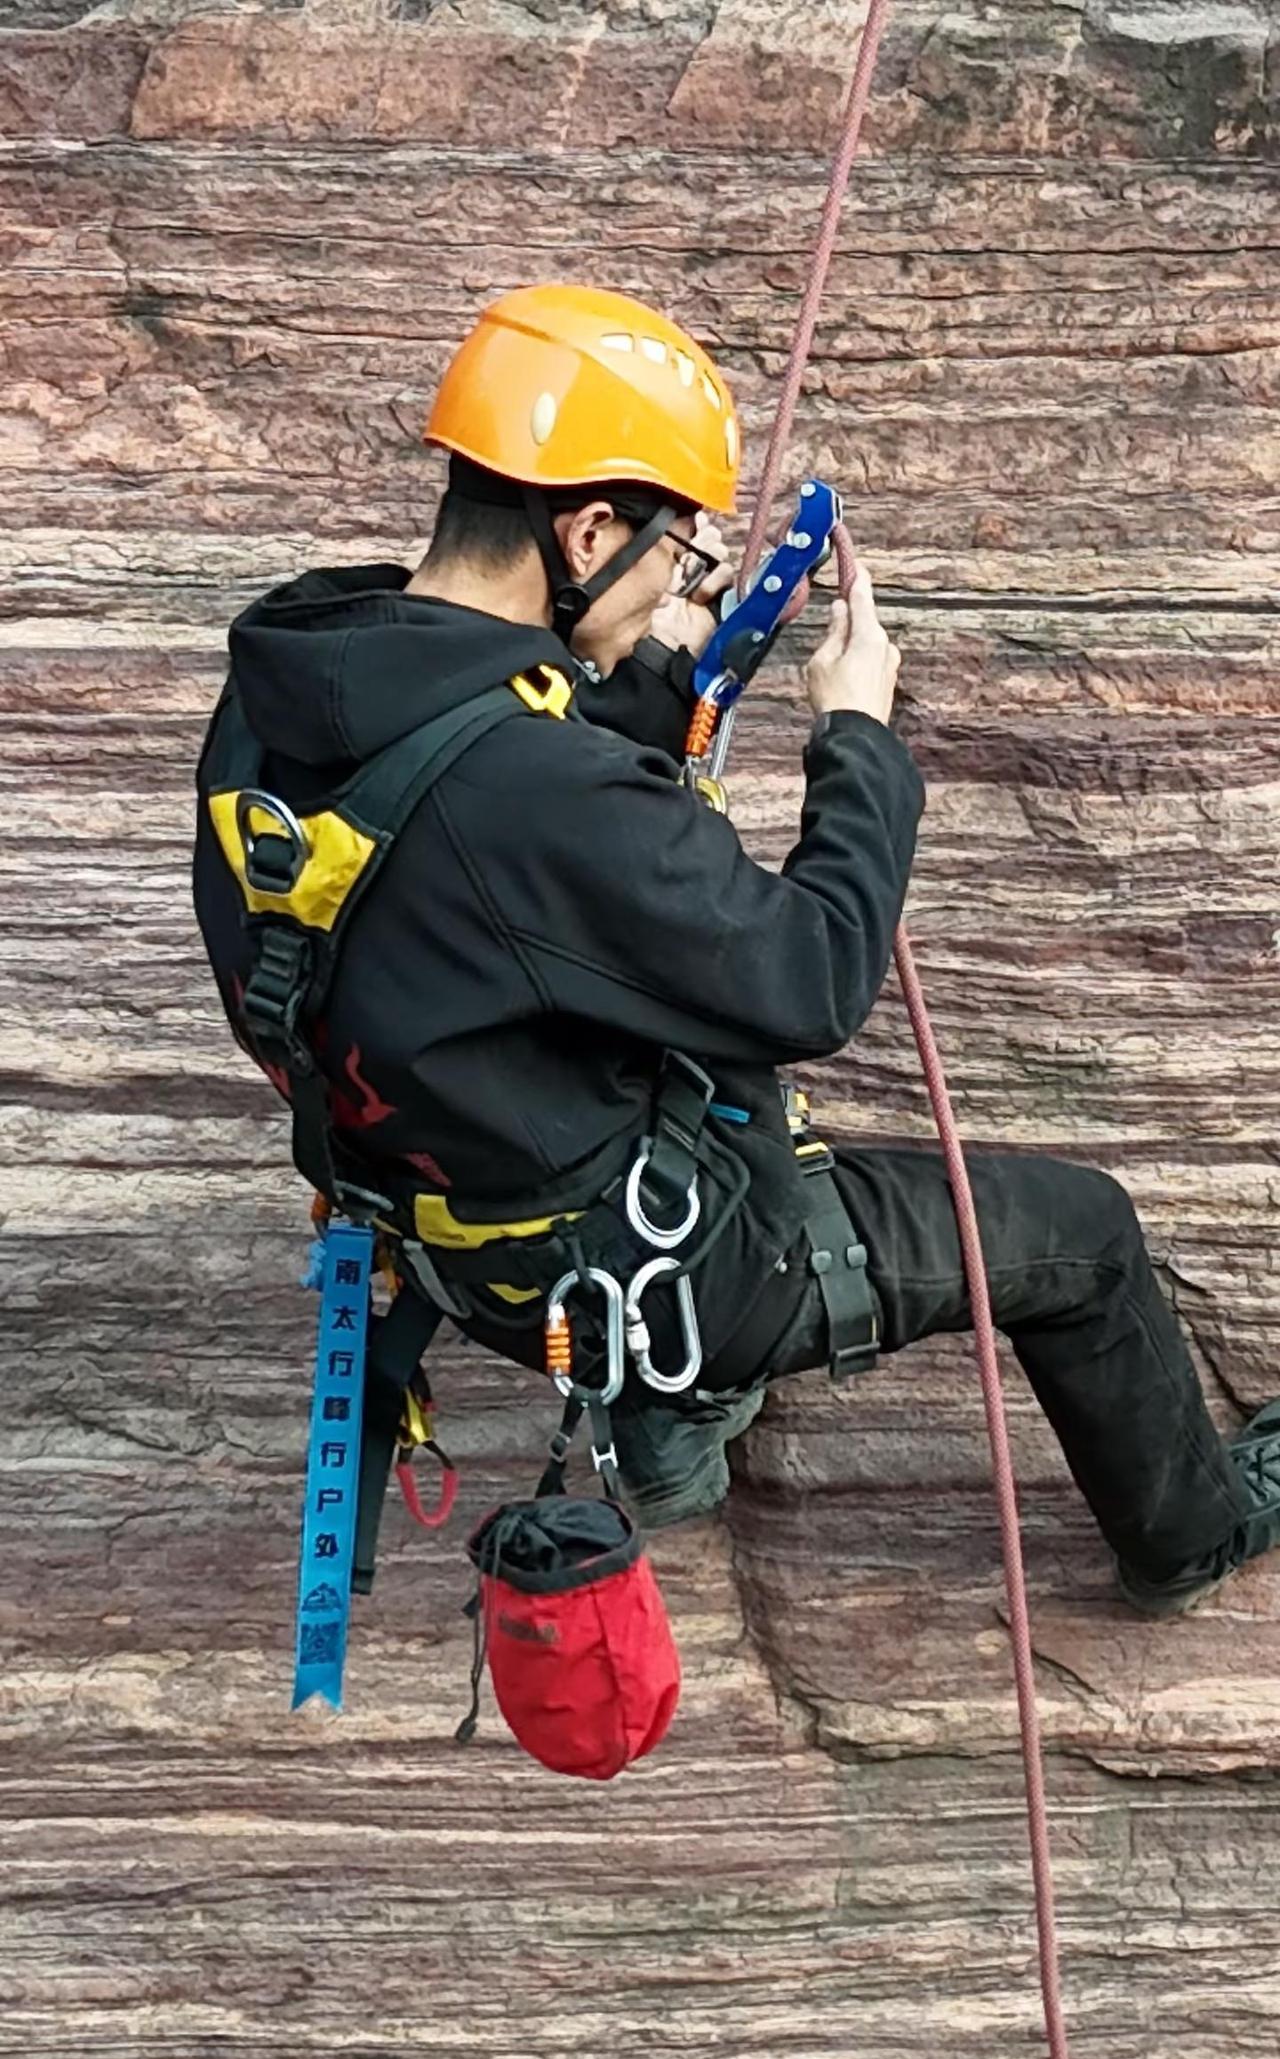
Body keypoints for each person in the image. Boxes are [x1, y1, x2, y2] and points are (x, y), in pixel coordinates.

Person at [192, 282, 1279, 1619]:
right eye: (672, 552)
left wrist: (654, 683)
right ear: (589, 529)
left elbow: (476, 831)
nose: (678, 582)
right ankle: (1189, 1538)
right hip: (650, 1263)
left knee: (637, 1078)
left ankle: (671, 1437)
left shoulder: (293, 678)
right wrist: (858, 738)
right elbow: (807, 978)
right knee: (1085, 1235)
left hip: (445, 1235)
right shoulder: (542, 797)